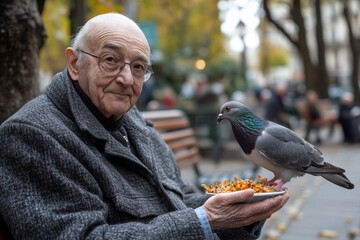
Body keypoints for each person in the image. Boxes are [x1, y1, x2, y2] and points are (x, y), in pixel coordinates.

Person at [0, 13, 289, 239]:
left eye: (138, 67)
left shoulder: (131, 118)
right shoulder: (29, 136)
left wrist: (244, 210)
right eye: (111, 60)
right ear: (75, 64)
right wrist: (206, 220)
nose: (127, 78)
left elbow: (178, 198)